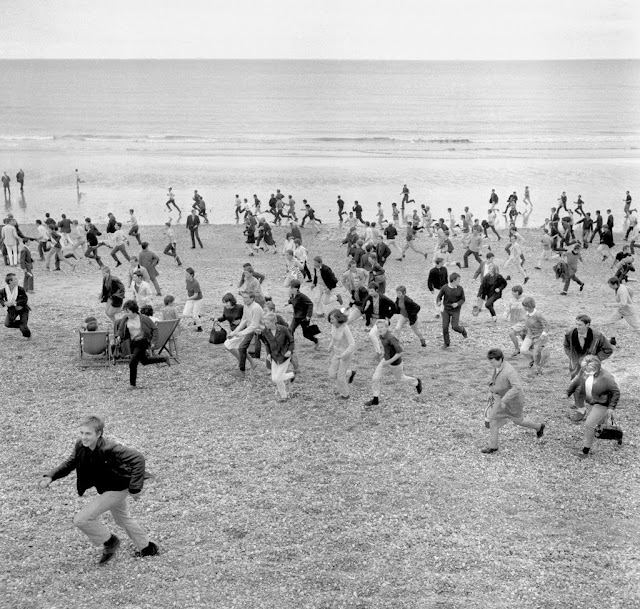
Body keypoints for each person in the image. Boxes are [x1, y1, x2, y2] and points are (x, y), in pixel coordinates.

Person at [39, 415, 159, 564]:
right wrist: (51, 476)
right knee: (122, 518)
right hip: (107, 487)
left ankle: (110, 541)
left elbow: (138, 458)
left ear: (99, 434)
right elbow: (70, 463)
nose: (84, 437)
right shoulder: (81, 446)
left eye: (88, 434)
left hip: (118, 488)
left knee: (82, 519)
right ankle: (147, 548)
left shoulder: (110, 447)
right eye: (82, 433)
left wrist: (135, 488)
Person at [480, 348, 545, 454]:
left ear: (500, 359)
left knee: (518, 421)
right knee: (493, 420)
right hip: (501, 399)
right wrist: (491, 389)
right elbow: (495, 379)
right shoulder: (497, 366)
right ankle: (493, 447)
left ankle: (539, 427)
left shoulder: (509, 371)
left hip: (514, 401)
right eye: (490, 362)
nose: (491, 364)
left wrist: (504, 400)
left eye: (493, 362)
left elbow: (517, 387)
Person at [567, 356, 620, 459]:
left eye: (589, 371)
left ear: (597, 368)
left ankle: (585, 451)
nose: (586, 373)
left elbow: (616, 392)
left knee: (589, 424)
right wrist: (568, 392)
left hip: (602, 403)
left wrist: (611, 407)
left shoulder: (607, 377)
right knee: (599, 423)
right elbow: (577, 381)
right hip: (591, 401)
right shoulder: (584, 370)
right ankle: (614, 433)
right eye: (585, 370)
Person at [563, 314, 613, 422]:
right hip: (575, 366)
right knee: (576, 385)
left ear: (588, 325)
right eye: (576, 324)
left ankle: (594, 411)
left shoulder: (598, 336)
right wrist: (571, 356)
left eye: (580, 325)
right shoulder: (570, 334)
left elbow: (608, 349)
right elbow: (566, 346)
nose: (577, 327)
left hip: (591, 367)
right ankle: (580, 408)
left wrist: (596, 359)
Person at [364, 319, 422, 409]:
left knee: (401, 379)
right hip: (385, 360)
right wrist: (384, 355)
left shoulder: (391, 338)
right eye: (378, 327)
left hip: (395, 363)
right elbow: (387, 348)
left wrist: (389, 361)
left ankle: (416, 382)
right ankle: (375, 399)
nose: (380, 329)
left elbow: (400, 352)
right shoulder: (381, 336)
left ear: (387, 327)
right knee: (375, 378)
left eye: (382, 327)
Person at [116, 300, 169, 387]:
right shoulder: (125, 318)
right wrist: (118, 336)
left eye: (128, 311)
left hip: (142, 341)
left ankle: (132, 385)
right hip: (132, 342)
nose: (126, 313)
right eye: (125, 311)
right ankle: (164, 359)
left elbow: (155, 329)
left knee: (132, 363)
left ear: (133, 310)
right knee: (144, 361)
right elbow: (121, 329)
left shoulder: (144, 318)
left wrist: (153, 342)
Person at [256, 311, 295, 401]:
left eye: (267, 323)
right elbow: (266, 343)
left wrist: (289, 351)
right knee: (274, 379)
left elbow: (291, 341)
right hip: (274, 356)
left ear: (273, 322)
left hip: (284, 356)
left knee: (278, 379)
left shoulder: (283, 329)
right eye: (265, 323)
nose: (265, 324)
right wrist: (269, 354)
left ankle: (283, 396)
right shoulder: (265, 331)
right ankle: (292, 374)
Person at [224, 290, 263, 378]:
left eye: (246, 298)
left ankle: (244, 369)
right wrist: (234, 332)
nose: (244, 299)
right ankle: (243, 370)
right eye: (243, 297)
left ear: (252, 298)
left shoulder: (256, 308)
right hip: (251, 330)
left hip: (261, 331)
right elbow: (244, 321)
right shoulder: (246, 306)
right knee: (240, 347)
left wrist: (240, 333)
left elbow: (254, 325)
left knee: (273, 349)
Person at [436, 272, 467, 348]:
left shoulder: (460, 288)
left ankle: (462, 330)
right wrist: (439, 302)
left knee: (455, 326)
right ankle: (446, 343)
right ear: (453, 280)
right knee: (445, 327)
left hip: (456, 310)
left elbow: (463, 299)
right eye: (458, 279)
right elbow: (439, 297)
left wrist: (457, 303)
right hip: (446, 310)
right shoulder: (445, 288)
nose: (459, 281)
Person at [520, 296, 549, 375]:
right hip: (529, 335)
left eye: (525, 306)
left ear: (529, 306)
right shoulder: (526, 314)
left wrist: (543, 334)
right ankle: (532, 359)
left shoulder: (538, 315)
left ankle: (539, 370)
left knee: (537, 354)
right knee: (523, 350)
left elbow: (547, 325)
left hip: (538, 337)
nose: (524, 307)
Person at [287, 279, 319, 348]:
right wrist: (288, 302)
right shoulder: (292, 295)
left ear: (297, 289)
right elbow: (293, 300)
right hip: (296, 317)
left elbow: (310, 304)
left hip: (303, 318)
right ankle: (291, 345)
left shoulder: (302, 296)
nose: (290, 289)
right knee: (290, 330)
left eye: (292, 288)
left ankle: (316, 340)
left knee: (306, 334)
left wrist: (308, 316)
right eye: (290, 287)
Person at [0, 272, 31, 337]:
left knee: (23, 327)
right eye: (15, 279)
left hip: (23, 309)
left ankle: (27, 333)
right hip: (12, 309)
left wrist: (15, 302)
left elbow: (25, 299)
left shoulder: (20, 289)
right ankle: (23, 324)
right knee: (7, 324)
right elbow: (0, 299)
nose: (17, 280)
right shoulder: (3, 290)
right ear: (10, 281)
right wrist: (5, 303)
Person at [504, 285, 527, 355]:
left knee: (512, 333)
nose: (512, 293)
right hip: (514, 321)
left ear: (518, 292)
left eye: (514, 292)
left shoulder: (525, 300)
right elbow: (507, 309)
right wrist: (505, 316)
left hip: (523, 321)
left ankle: (518, 349)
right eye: (512, 291)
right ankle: (522, 348)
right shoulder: (511, 300)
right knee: (523, 336)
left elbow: (530, 310)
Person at [183, 267, 204, 332]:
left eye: (187, 274)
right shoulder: (187, 280)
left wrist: (188, 298)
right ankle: (197, 317)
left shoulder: (195, 283)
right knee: (185, 314)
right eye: (185, 274)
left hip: (198, 299)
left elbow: (196, 295)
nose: (185, 275)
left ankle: (199, 327)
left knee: (195, 315)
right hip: (191, 298)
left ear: (191, 275)